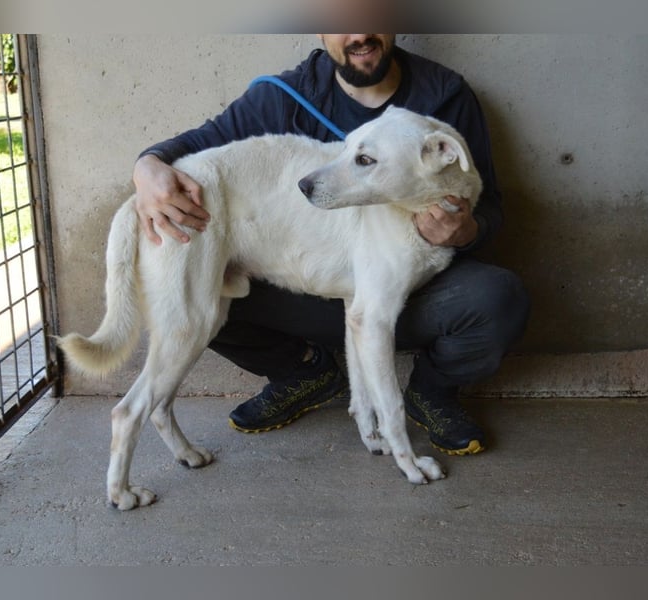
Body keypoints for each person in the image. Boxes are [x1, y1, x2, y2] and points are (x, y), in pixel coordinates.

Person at [132, 34, 529, 456]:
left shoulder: (445, 97)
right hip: (301, 294)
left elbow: (491, 209)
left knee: (498, 299)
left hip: (413, 295)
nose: (358, 31)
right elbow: (194, 145)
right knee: (196, 292)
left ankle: (432, 391)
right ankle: (301, 372)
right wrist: (148, 165)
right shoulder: (284, 95)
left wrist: (466, 230)